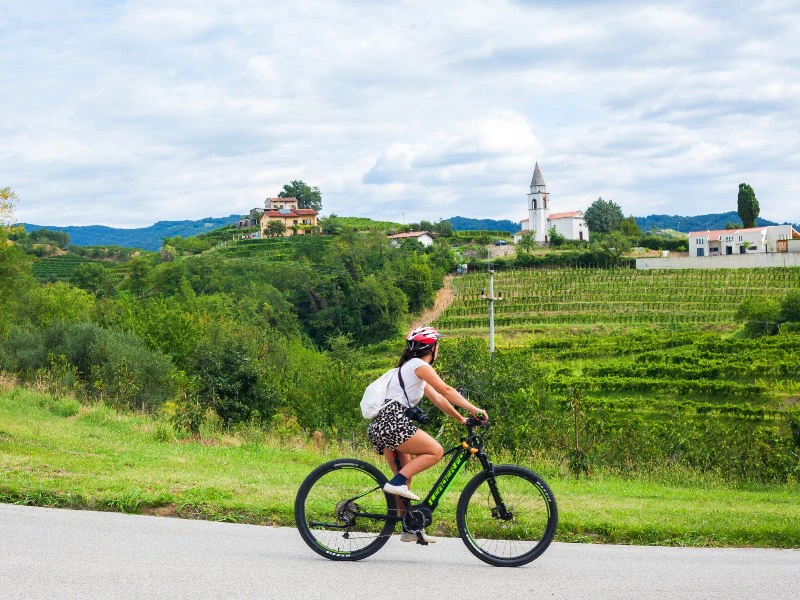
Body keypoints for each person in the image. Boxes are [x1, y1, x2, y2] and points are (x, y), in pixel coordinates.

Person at [367, 326, 488, 543]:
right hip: (393, 422)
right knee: (435, 451)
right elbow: (447, 390)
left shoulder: (410, 368)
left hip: (383, 424)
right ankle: (396, 483)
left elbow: (439, 399)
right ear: (431, 348)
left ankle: (409, 528)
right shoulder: (419, 365)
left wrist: (460, 418)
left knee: (406, 477)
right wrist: (474, 409)